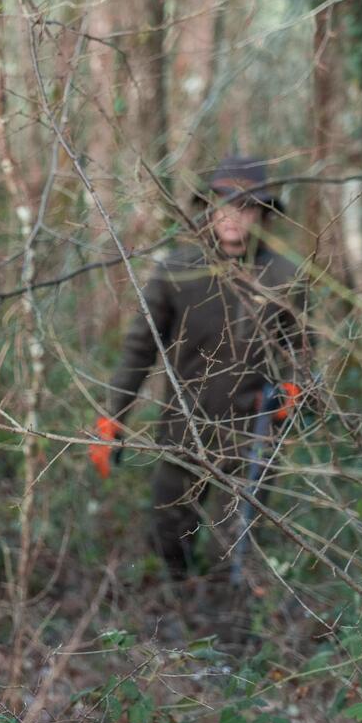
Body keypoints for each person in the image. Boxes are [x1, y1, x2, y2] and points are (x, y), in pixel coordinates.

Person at [89, 156, 311, 582]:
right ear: (210, 207)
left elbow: (304, 352)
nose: (233, 216)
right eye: (224, 203)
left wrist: (295, 392)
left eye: (246, 206)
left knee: (241, 545)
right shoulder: (177, 269)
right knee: (168, 537)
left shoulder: (284, 276)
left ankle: (233, 627)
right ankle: (175, 614)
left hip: (252, 433)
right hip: (184, 426)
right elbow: (140, 348)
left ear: (262, 213)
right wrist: (112, 416)